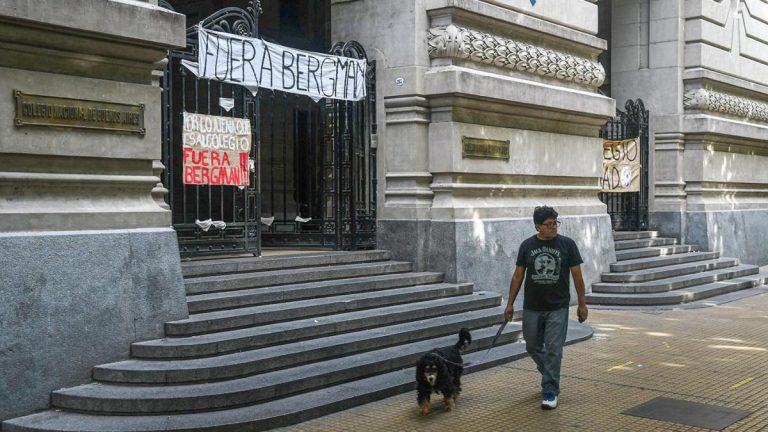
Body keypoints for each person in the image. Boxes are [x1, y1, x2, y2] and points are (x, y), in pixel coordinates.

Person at [504, 205, 588, 410]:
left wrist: (582, 304)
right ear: (537, 226)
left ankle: (550, 389)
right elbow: (518, 276)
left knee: (553, 348)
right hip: (532, 306)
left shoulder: (567, 245)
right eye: (548, 224)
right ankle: (549, 371)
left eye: (555, 223)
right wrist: (510, 304)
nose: (553, 227)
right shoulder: (527, 246)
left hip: (558, 306)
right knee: (532, 346)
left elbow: (577, 276)